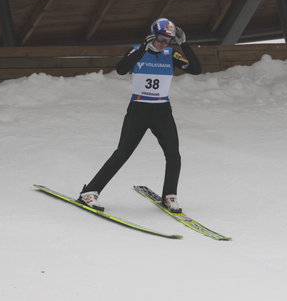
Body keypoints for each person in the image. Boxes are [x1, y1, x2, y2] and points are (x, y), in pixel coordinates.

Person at [79, 18, 202, 213]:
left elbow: (196, 69)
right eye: (161, 39)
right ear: (152, 36)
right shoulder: (137, 51)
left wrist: (184, 44)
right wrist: (143, 49)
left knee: (173, 154)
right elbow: (120, 69)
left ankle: (170, 196)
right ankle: (90, 191)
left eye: (168, 40)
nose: (163, 44)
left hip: (162, 110)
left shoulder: (171, 54)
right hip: (139, 109)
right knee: (123, 153)